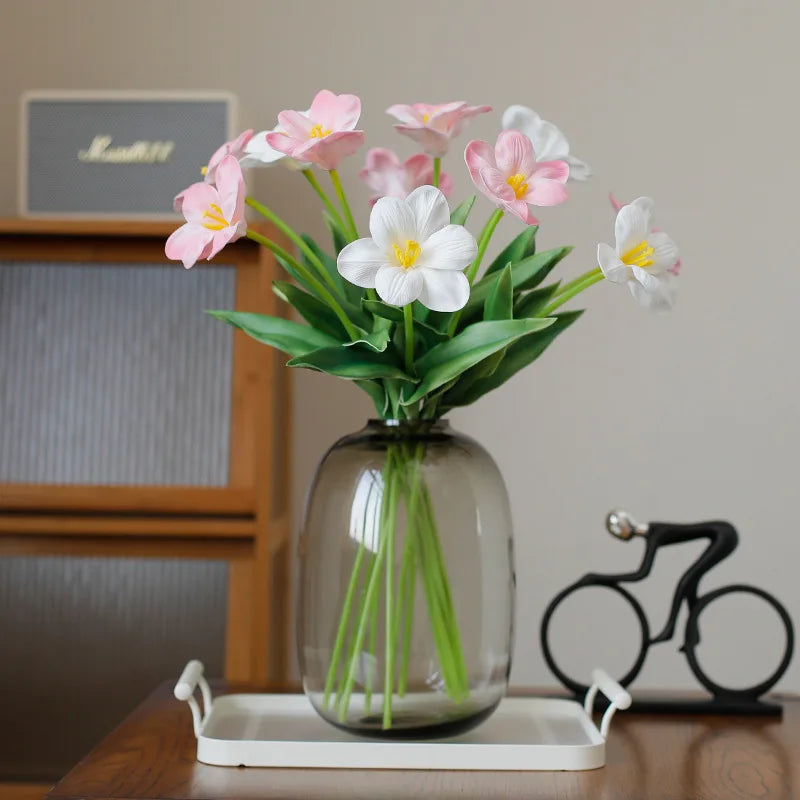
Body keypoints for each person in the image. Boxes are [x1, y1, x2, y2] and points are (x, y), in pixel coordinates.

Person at [594, 510, 739, 646]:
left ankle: (669, 630)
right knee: (690, 582)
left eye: (618, 529)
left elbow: (642, 574)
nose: (619, 533)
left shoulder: (654, 534)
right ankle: (693, 634)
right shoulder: (653, 531)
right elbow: (642, 573)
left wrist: (600, 578)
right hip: (723, 532)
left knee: (685, 582)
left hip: (724, 535)